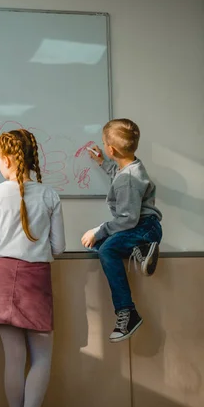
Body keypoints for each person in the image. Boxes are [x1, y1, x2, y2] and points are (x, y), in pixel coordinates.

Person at [0, 129, 65, 407]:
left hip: (1, 275)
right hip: (36, 278)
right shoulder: (50, 195)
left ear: (8, 159)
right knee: (41, 358)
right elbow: (59, 247)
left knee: (14, 360)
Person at [81, 119, 162, 342]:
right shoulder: (131, 168)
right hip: (143, 228)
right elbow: (121, 178)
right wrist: (104, 163)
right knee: (100, 247)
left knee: (106, 249)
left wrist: (98, 230)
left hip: (143, 228)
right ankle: (141, 250)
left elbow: (127, 219)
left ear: (111, 149)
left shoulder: (128, 179)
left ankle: (127, 312)